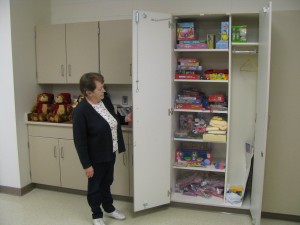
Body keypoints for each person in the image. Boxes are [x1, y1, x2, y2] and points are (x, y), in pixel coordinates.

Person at [72, 72, 132, 225]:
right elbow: (79, 141)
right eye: (100, 89)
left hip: (110, 152)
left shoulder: (105, 101)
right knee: (95, 187)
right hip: (95, 157)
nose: (103, 91)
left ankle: (109, 209)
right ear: (89, 92)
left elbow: (112, 119)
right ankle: (96, 215)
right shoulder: (80, 111)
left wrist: (125, 119)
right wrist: (86, 165)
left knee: (107, 182)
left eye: (103, 87)